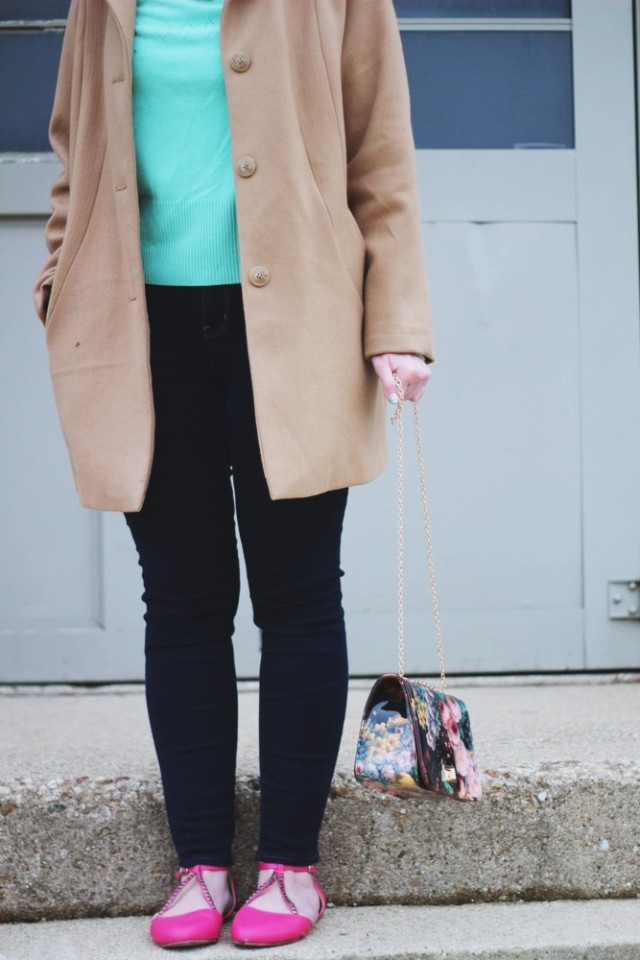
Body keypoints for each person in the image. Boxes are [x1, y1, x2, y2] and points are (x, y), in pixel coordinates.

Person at [34, 0, 434, 949]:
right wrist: (57, 277)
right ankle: (200, 866)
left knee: (297, 596)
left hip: (296, 322)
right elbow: (72, 142)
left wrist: (397, 322)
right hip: (138, 325)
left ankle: (292, 866)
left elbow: (382, 153)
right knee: (179, 599)